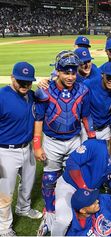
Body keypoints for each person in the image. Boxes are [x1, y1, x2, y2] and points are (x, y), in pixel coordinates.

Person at [33, 50, 95, 235]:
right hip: (52, 141)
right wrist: (37, 145)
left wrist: (91, 138)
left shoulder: (83, 90)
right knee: (50, 177)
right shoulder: (44, 92)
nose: (70, 76)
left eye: (73, 72)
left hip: (75, 139)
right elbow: (38, 119)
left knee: (76, 175)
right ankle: (50, 212)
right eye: (65, 72)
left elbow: (86, 116)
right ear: (57, 71)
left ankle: (74, 207)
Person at [50, 126, 111, 236]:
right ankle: (49, 222)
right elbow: (72, 162)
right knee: (64, 220)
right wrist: (83, 187)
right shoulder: (94, 145)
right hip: (69, 186)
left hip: (88, 196)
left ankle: (52, 217)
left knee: (87, 224)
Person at [0, 62, 42, 236]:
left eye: (28, 82)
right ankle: (4, 228)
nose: (25, 85)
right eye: (21, 81)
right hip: (5, 152)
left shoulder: (32, 95)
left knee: (27, 184)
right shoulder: (2, 97)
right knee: (4, 193)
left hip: (28, 148)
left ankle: (23, 209)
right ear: (12, 77)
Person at [84, 62, 111, 140]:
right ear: (102, 75)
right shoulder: (90, 84)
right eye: (108, 77)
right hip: (87, 129)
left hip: (106, 130)